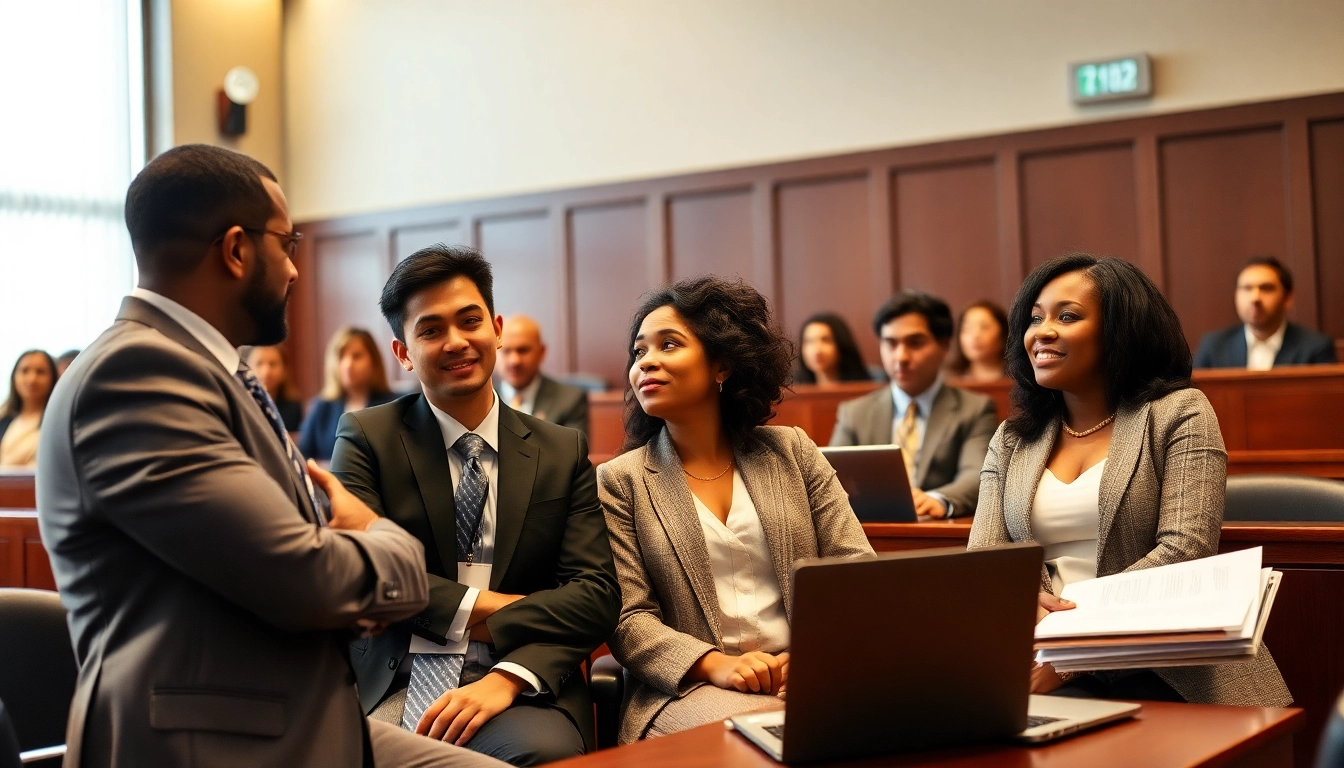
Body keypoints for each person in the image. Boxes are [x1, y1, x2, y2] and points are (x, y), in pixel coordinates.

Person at [36, 144, 502, 767]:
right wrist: (391, 545)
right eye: (288, 244)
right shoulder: (138, 374)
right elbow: (305, 575)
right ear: (235, 250)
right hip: (213, 736)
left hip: (291, 712)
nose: (294, 271)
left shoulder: (207, 370)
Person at [331, 245, 620, 765]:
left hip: (524, 682)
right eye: (431, 330)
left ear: (497, 328)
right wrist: (510, 607)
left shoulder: (561, 449)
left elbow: (595, 597)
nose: (457, 342)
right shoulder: (366, 438)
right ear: (402, 352)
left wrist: (507, 675)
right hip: (394, 677)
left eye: (470, 321)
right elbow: (362, 579)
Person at [969, 252, 1291, 707]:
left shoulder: (1180, 413)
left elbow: (1184, 549)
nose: (1041, 332)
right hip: (1031, 656)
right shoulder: (1012, 438)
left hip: (1165, 665)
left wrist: (1070, 654)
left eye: (1068, 316)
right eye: (1035, 318)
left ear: (1121, 330)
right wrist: (1030, 618)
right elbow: (985, 559)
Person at [598, 275, 874, 743]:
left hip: (810, 670)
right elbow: (629, 619)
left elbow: (856, 569)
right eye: (639, 352)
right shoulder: (620, 481)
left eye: (668, 345)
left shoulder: (793, 451)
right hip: (688, 688)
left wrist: (813, 655)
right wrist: (717, 665)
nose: (647, 362)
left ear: (722, 365)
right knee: (795, 733)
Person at [829, 291, 997, 518]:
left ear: (944, 346)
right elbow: (830, 481)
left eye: (915, 343)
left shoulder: (975, 409)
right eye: (890, 343)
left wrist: (938, 499)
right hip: (870, 534)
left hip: (939, 534)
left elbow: (977, 474)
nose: (901, 357)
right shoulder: (854, 413)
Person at [1194, 256, 1336, 369]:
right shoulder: (1214, 345)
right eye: (1247, 288)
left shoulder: (1316, 347)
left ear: (1287, 298)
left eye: (1266, 288)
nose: (1255, 298)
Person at [299, 326, 396, 461]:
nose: (348, 364)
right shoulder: (322, 406)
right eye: (341, 357)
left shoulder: (392, 406)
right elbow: (304, 455)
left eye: (356, 356)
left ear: (374, 361)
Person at [496, 314, 590, 434]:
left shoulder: (570, 400)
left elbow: (575, 452)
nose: (514, 361)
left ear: (541, 352)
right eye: (506, 351)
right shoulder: (480, 401)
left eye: (523, 350)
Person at [0, 350, 57, 468]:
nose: (32, 379)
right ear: (14, 377)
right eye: (24, 371)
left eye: (40, 372)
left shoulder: (58, 422)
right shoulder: (3, 418)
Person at [793, 312, 872, 385]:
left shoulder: (868, 384)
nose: (817, 350)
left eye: (826, 340)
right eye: (809, 341)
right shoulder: (793, 388)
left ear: (841, 344)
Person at [246, 344, 305, 434]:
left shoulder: (293, 407)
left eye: (272, 364)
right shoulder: (242, 403)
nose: (266, 372)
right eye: (259, 363)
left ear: (284, 369)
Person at [947, 301, 1008, 382]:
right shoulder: (950, 381)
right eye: (967, 328)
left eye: (984, 327)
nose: (975, 336)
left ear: (1003, 333)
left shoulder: (1019, 380)